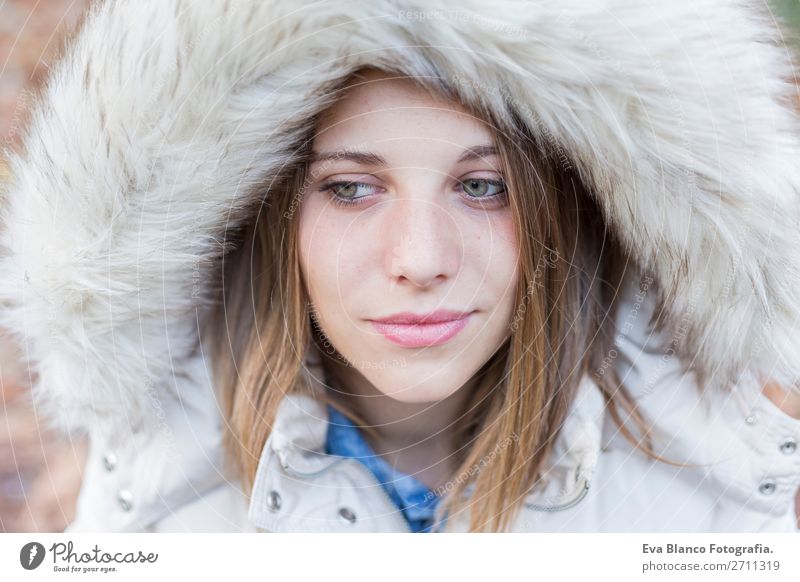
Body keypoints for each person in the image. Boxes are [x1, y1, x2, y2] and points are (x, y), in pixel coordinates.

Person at [0, 0, 799, 533]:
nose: (419, 260)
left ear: (577, 211)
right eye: (351, 189)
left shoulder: (708, 500)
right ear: (264, 221)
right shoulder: (159, 501)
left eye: (485, 187)